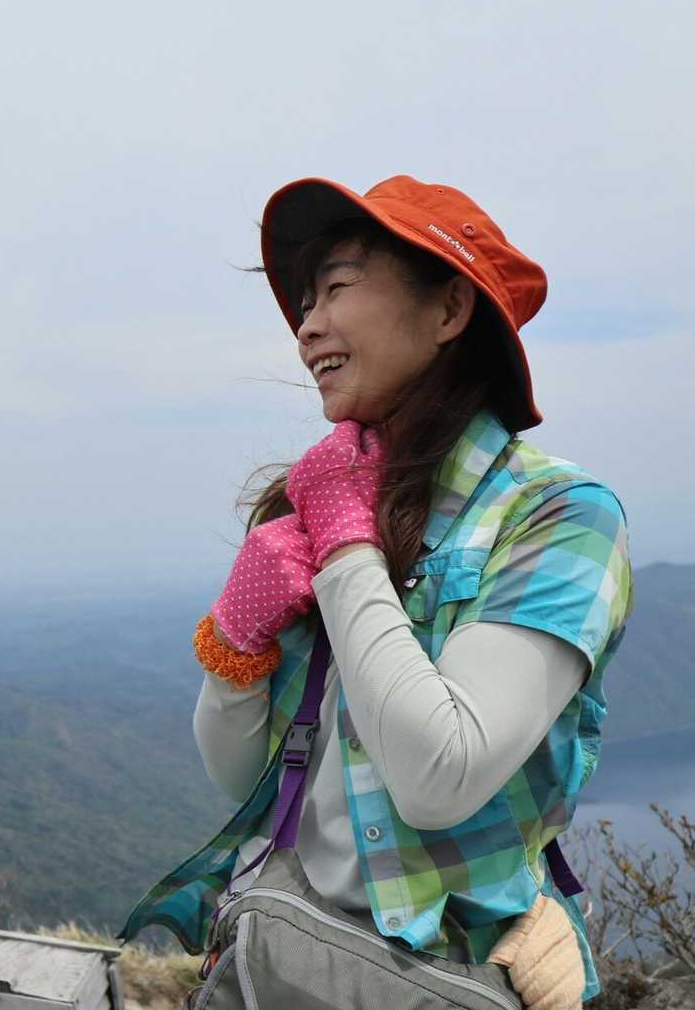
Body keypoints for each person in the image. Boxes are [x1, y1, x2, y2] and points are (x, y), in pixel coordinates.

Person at [119, 176, 633, 1007]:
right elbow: (239, 773)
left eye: (338, 287)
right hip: (284, 953)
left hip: (436, 976)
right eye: (304, 302)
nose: (307, 326)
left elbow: (440, 777)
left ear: (449, 309)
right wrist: (235, 642)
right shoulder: (321, 499)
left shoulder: (559, 516)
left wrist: (349, 552)